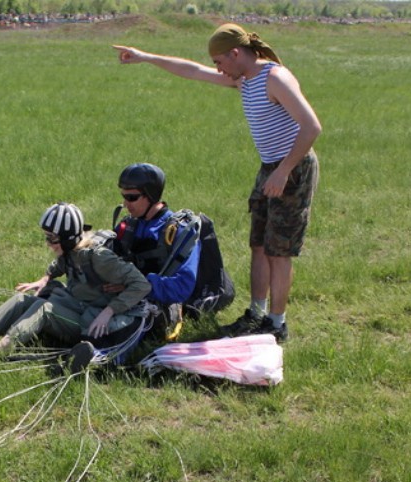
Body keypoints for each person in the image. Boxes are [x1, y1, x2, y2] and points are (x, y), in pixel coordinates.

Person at [113, 23, 321, 342]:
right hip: (271, 167)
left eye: (220, 62)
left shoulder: (275, 78)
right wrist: (145, 57)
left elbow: (311, 127)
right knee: (259, 245)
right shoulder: (244, 79)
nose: (218, 69)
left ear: (235, 53)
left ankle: (277, 324)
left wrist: (283, 171)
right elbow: (192, 71)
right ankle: (256, 314)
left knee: (279, 251)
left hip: (293, 167)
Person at [0, 202, 151, 359]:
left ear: (67, 238)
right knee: (21, 300)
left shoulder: (100, 257)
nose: (48, 243)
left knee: (44, 309)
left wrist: (109, 311)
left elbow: (142, 285)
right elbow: (62, 263)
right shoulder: (71, 250)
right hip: (81, 306)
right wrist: (45, 278)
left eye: (52, 239)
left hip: (95, 321)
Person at [111, 163, 200, 341]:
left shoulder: (180, 232)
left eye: (131, 197)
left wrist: (137, 285)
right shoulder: (127, 226)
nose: (125, 204)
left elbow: (183, 286)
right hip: (123, 296)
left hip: (156, 303)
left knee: (125, 325)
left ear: (151, 195)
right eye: (124, 197)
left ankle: (102, 353)